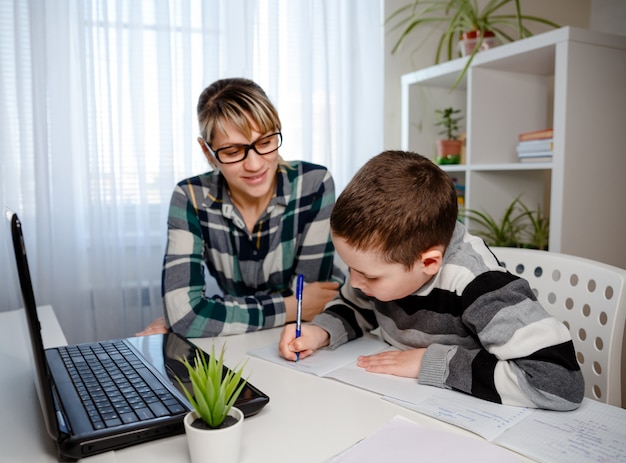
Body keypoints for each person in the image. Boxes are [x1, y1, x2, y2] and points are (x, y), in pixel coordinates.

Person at [279, 150, 584, 411]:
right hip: (398, 401)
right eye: (350, 267)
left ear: (428, 263)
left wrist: (431, 362)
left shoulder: (480, 284)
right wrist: (320, 331)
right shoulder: (383, 264)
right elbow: (356, 304)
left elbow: (559, 382)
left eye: (368, 275)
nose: (354, 281)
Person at [138, 77, 342, 338]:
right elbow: (300, 305)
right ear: (207, 150)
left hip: (311, 336)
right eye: (233, 151)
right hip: (244, 341)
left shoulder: (314, 184)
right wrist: (290, 306)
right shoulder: (190, 197)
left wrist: (204, 315)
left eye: (266, 142)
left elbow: (312, 305)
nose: (255, 165)